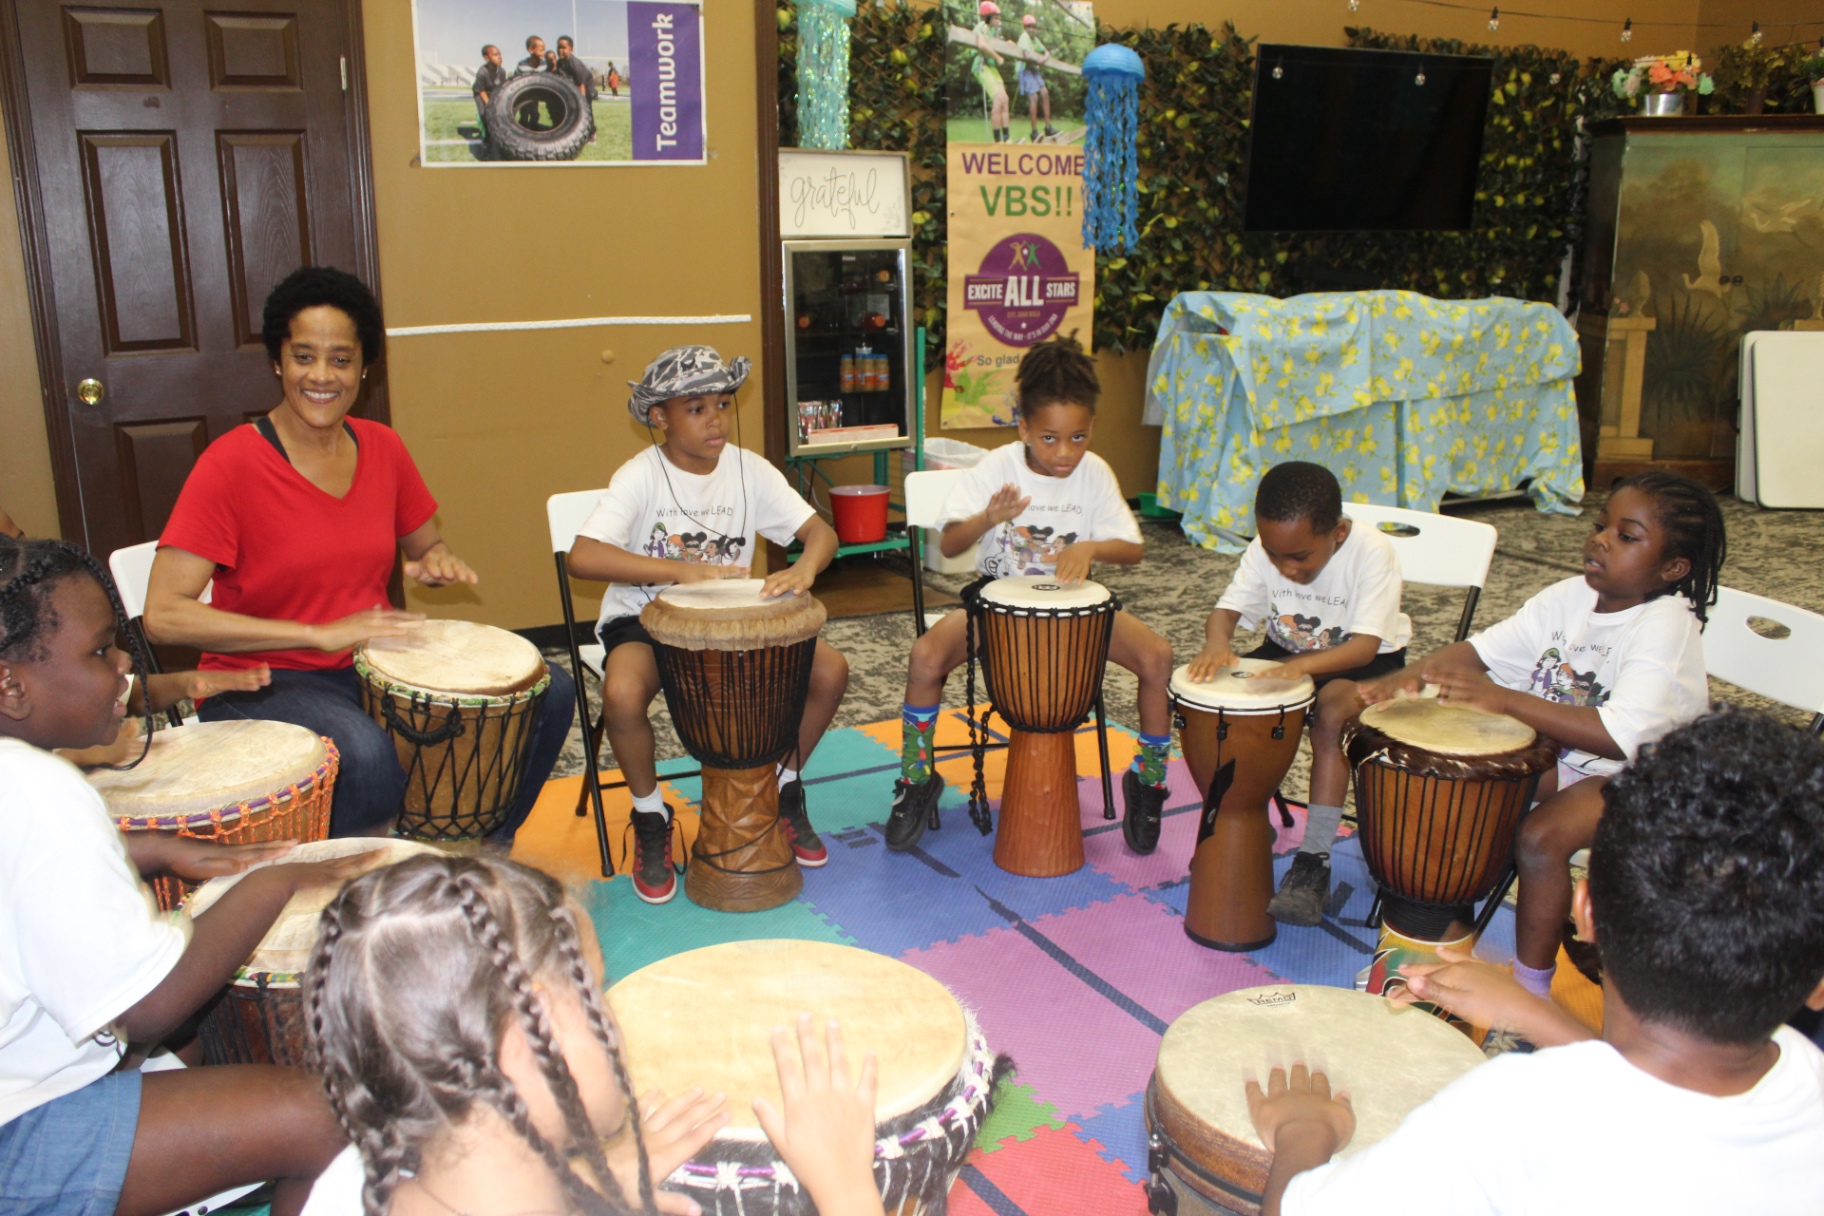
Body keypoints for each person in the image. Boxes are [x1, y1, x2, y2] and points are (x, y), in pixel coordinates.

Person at [1242, 709, 1824, 1215]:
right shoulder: (1808, 1078)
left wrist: (1304, 1130)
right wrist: (1533, 1014)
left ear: (1585, 911)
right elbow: (1664, 1110)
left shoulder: (1511, 1113)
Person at [0, 536, 379, 1216]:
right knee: (336, 1120)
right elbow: (148, 1007)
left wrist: (149, 847)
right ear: (11, 686)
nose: (122, 665)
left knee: (195, 1048)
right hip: (18, 1133)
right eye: (98, 651)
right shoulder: (37, 790)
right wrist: (280, 880)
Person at [145, 266, 576, 841]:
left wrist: (436, 561)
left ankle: (481, 849)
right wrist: (315, 633)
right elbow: (164, 614)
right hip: (261, 681)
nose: (321, 375)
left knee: (551, 692)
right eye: (304, 356)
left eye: (341, 359)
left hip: (367, 670)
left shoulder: (382, 447)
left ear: (364, 367)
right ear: (278, 361)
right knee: (366, 753)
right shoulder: (230, 465)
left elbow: (426, 544)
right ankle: (352, 890)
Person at [300, 851, 890, 1216]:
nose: (612, 1018)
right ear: (528, 1040)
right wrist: (845, 1190)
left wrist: (582, 1194)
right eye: (593, 994)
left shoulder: (352, 1184)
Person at [1358, 471, 1722, 1002]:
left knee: (1539, 837)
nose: (1600, 539)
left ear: (1673, 568)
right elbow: (1479, 653)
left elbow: (1618, 738)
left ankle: (1530, 990)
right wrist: (1414, 676)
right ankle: (1428, 944)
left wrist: (1505, 700)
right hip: (1570, 756)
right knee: (1465, 798)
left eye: (1626, 535)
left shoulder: (1664, 626)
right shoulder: (1569, 597)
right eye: (1601, 525)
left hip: (1651, 779)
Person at [567, 347, 849, 905]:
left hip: (735, 625)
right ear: (658, 418)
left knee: (830, 671)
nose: (715, 418)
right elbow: (582, 557)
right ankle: (651, 815)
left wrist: (804, 566)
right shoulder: (639, 475)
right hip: (646, 619)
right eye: (695, 408)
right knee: (622, 694)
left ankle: (784, 786)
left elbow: (823, 534)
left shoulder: (751, 470)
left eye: (722, 404)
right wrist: (678, 571)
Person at [885, 333, 1175, 853]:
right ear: (1023, 427)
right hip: (995, 606)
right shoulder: (996, 468)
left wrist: (1090, 548)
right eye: (1049, 438)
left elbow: (1132, 549)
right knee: (925, 657)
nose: (1065, 453)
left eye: (1078, 438)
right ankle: (916, 777)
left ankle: (1148, 783)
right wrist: (988, 518)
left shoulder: (1096, 474)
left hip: (1078, 612)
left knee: (1158, 658)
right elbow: (950, 544)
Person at [1185, 462, 1410, 925]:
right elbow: (1226, 611)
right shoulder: (1266, 550)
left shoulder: (1372, 552)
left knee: (1330, 717)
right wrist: (1216, 643)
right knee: (1227, 704)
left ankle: (1313, 861)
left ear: (1339, 532)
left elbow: (1365, 646)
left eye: (1301, 557)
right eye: (1274, 554)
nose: (1286, 568)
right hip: (1287, 652)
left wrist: (1293, 669)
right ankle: (1242, 821)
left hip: (1363, 664)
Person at [970, 3, 1011, 144]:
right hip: (982, 65)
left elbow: (995, 44)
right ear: (988, 17)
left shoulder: (992, 31)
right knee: (998, 98)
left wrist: (1008, 44)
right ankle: (997, 141)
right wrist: (998, 57)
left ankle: (1007, 139)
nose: (999, 20)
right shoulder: (982, 26)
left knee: (1005, 99)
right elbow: (982, 45)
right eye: (996, 17)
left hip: (991, 67)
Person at [1015, 14, 1057, 142]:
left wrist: (1043, 58)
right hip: (1023, 68)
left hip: (1033, 67)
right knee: (1034, 96)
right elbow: (1027, 55)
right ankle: (1034, 132)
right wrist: (1040, 60)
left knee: (1044, 93)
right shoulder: (1024, 38)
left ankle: (1048, 128)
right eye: (1030, 27)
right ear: (1025, 27)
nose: (1033, 29)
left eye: (1034, 27)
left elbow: (1046, 52)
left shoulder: (1035, 39)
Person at [553, 36, 599, 144]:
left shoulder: (576, 64)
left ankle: (591, 135)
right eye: (559, 47)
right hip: (574, 87)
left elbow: (581, 85)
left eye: (564, 48)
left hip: (586, 89)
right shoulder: (560, 63)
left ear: (571, 49)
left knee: (585, 112)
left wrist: (582, 102)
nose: (560, 50)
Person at [472, 44, 507, 145]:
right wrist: (488, 104)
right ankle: (487, 135)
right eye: (495, 55)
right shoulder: (482, 72)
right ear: (486, 58)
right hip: (480, 93)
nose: (499, 57)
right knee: (484, 113)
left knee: (498, 113)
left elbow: (501, 88)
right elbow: (481, 90)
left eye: (500, 54)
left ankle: (497, 133)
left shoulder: (502, 71)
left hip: (493, 92)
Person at [515, 36, 549, 129]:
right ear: (531, 50)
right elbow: (516, 81)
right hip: (524, 93)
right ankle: (523, 127)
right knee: (524, 112)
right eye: (541, 50)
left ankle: (534, 128)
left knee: (534, 113)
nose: (543, 52)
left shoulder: (544, 65)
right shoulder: (522, 65)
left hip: (537, 92)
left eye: (544, 50)